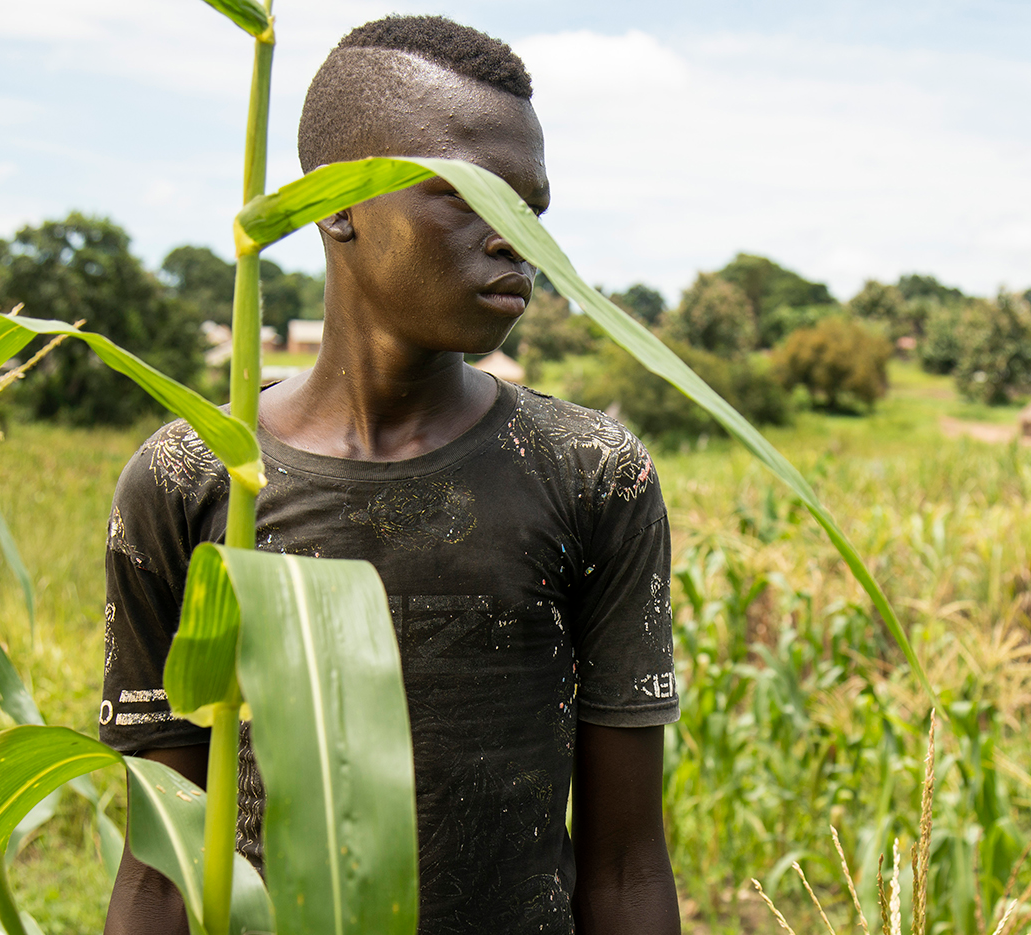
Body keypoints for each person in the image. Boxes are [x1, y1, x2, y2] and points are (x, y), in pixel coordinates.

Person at [100, 15, 681, 935]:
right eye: (471, 194)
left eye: (530, 208)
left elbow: (622, 864)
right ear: (338, 203)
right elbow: (158, 871)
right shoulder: (192, 479)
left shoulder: (590, 476)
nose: (513, 238)